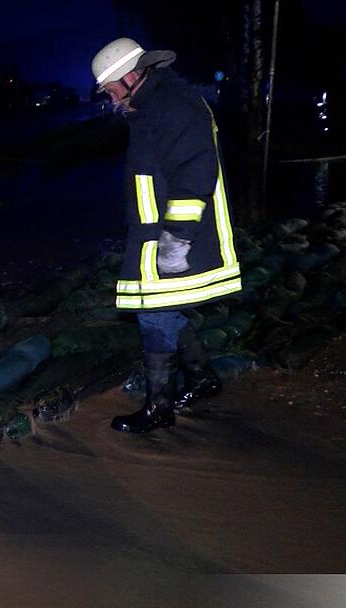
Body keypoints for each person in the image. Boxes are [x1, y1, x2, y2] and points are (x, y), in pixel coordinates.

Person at [90, 38, 242, 433]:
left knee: (153, 312)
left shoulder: (171, 105)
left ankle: (159, 408)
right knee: (166, 308)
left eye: (109, 89)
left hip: (173, 234)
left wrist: (178, 238)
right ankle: (201, 378)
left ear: (128, 77)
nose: (109, 98)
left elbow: (195, 172)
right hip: (154, 230)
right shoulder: (154, 104)